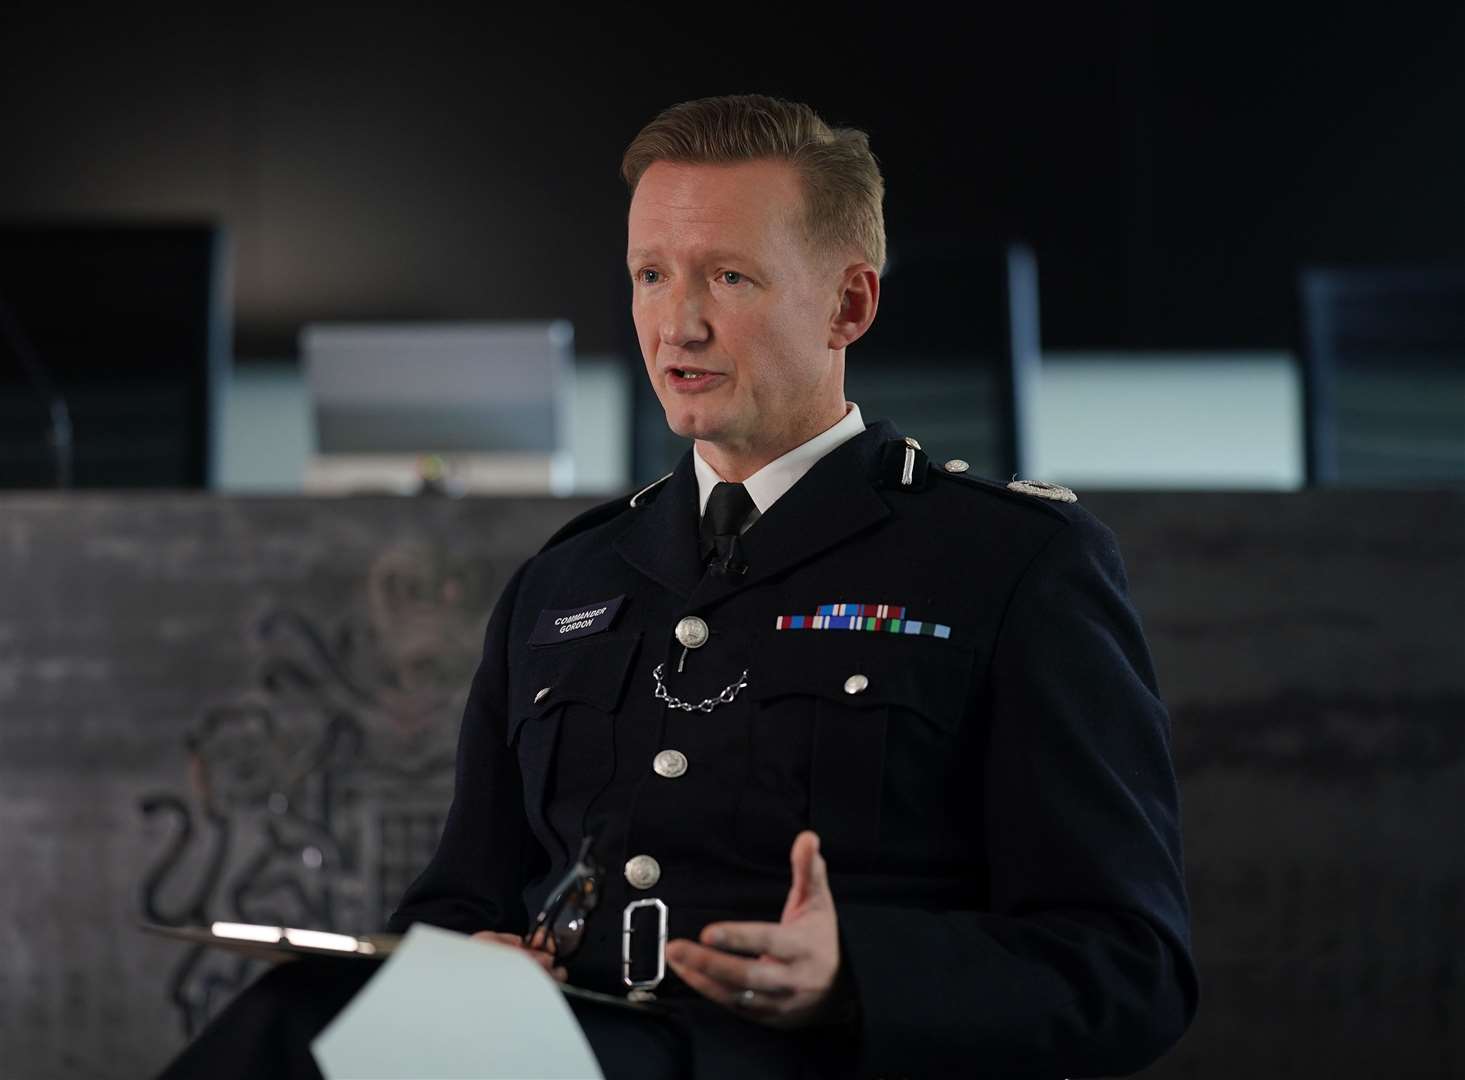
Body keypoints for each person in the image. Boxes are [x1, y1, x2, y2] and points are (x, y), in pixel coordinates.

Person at [158, 93, 1197, 1080]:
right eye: (650, 274)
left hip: (797, 1063)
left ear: (849, 302)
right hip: (551, 1052)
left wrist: (857, 974)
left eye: (727, 279)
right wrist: (471, 954)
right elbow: (461, 896)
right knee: (299, 1020)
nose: (677, 325)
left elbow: (1129, 968)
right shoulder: (566, 578)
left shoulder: (1009, 564)